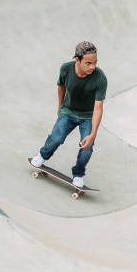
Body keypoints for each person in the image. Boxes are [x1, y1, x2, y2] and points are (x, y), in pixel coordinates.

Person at [31, 41, 107, 188]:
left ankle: (78, 174)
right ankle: (42, 155)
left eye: (95, 62)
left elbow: (98, 108)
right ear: (77, 60)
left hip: (88, 116)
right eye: (88, 63)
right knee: (56, 137)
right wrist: (60, 106)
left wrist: (93, 133)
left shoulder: (100, 78)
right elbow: (61, 86)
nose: (93, 67)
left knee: (87, 147)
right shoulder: (66, 68)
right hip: (68, 110)